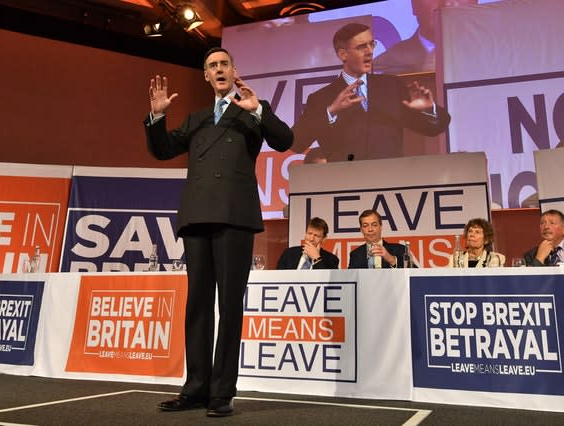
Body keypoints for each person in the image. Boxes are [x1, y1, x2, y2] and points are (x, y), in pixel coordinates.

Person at [144, 47, 293, 417]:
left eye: (224, 63)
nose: (219, 69)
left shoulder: (250, 113)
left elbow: (285, 140)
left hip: (235, 217)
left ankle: (222, 391)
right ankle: (195, 388)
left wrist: (259, 110)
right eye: (212, 66)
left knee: (229, 306)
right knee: (197, 305)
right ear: (206, 77)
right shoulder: (195, 119)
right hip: (197, 217)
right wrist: (157, 116)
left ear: (233, 71)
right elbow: (162, 150)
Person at [291, 22, 451, 164]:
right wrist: (330, 112)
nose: (369, 52)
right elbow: (296, 143)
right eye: (361, 47)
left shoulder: (392, 87)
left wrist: (428, 110)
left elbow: (433, 129)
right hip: (344, 188)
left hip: (390, 186)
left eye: (371, 44)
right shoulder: (321, 99)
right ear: (343, 54)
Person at [373, 0, 479, 75]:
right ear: (414, 5)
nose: (446, 3)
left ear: (476, 2)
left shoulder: (493, 52)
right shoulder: (381, 67)